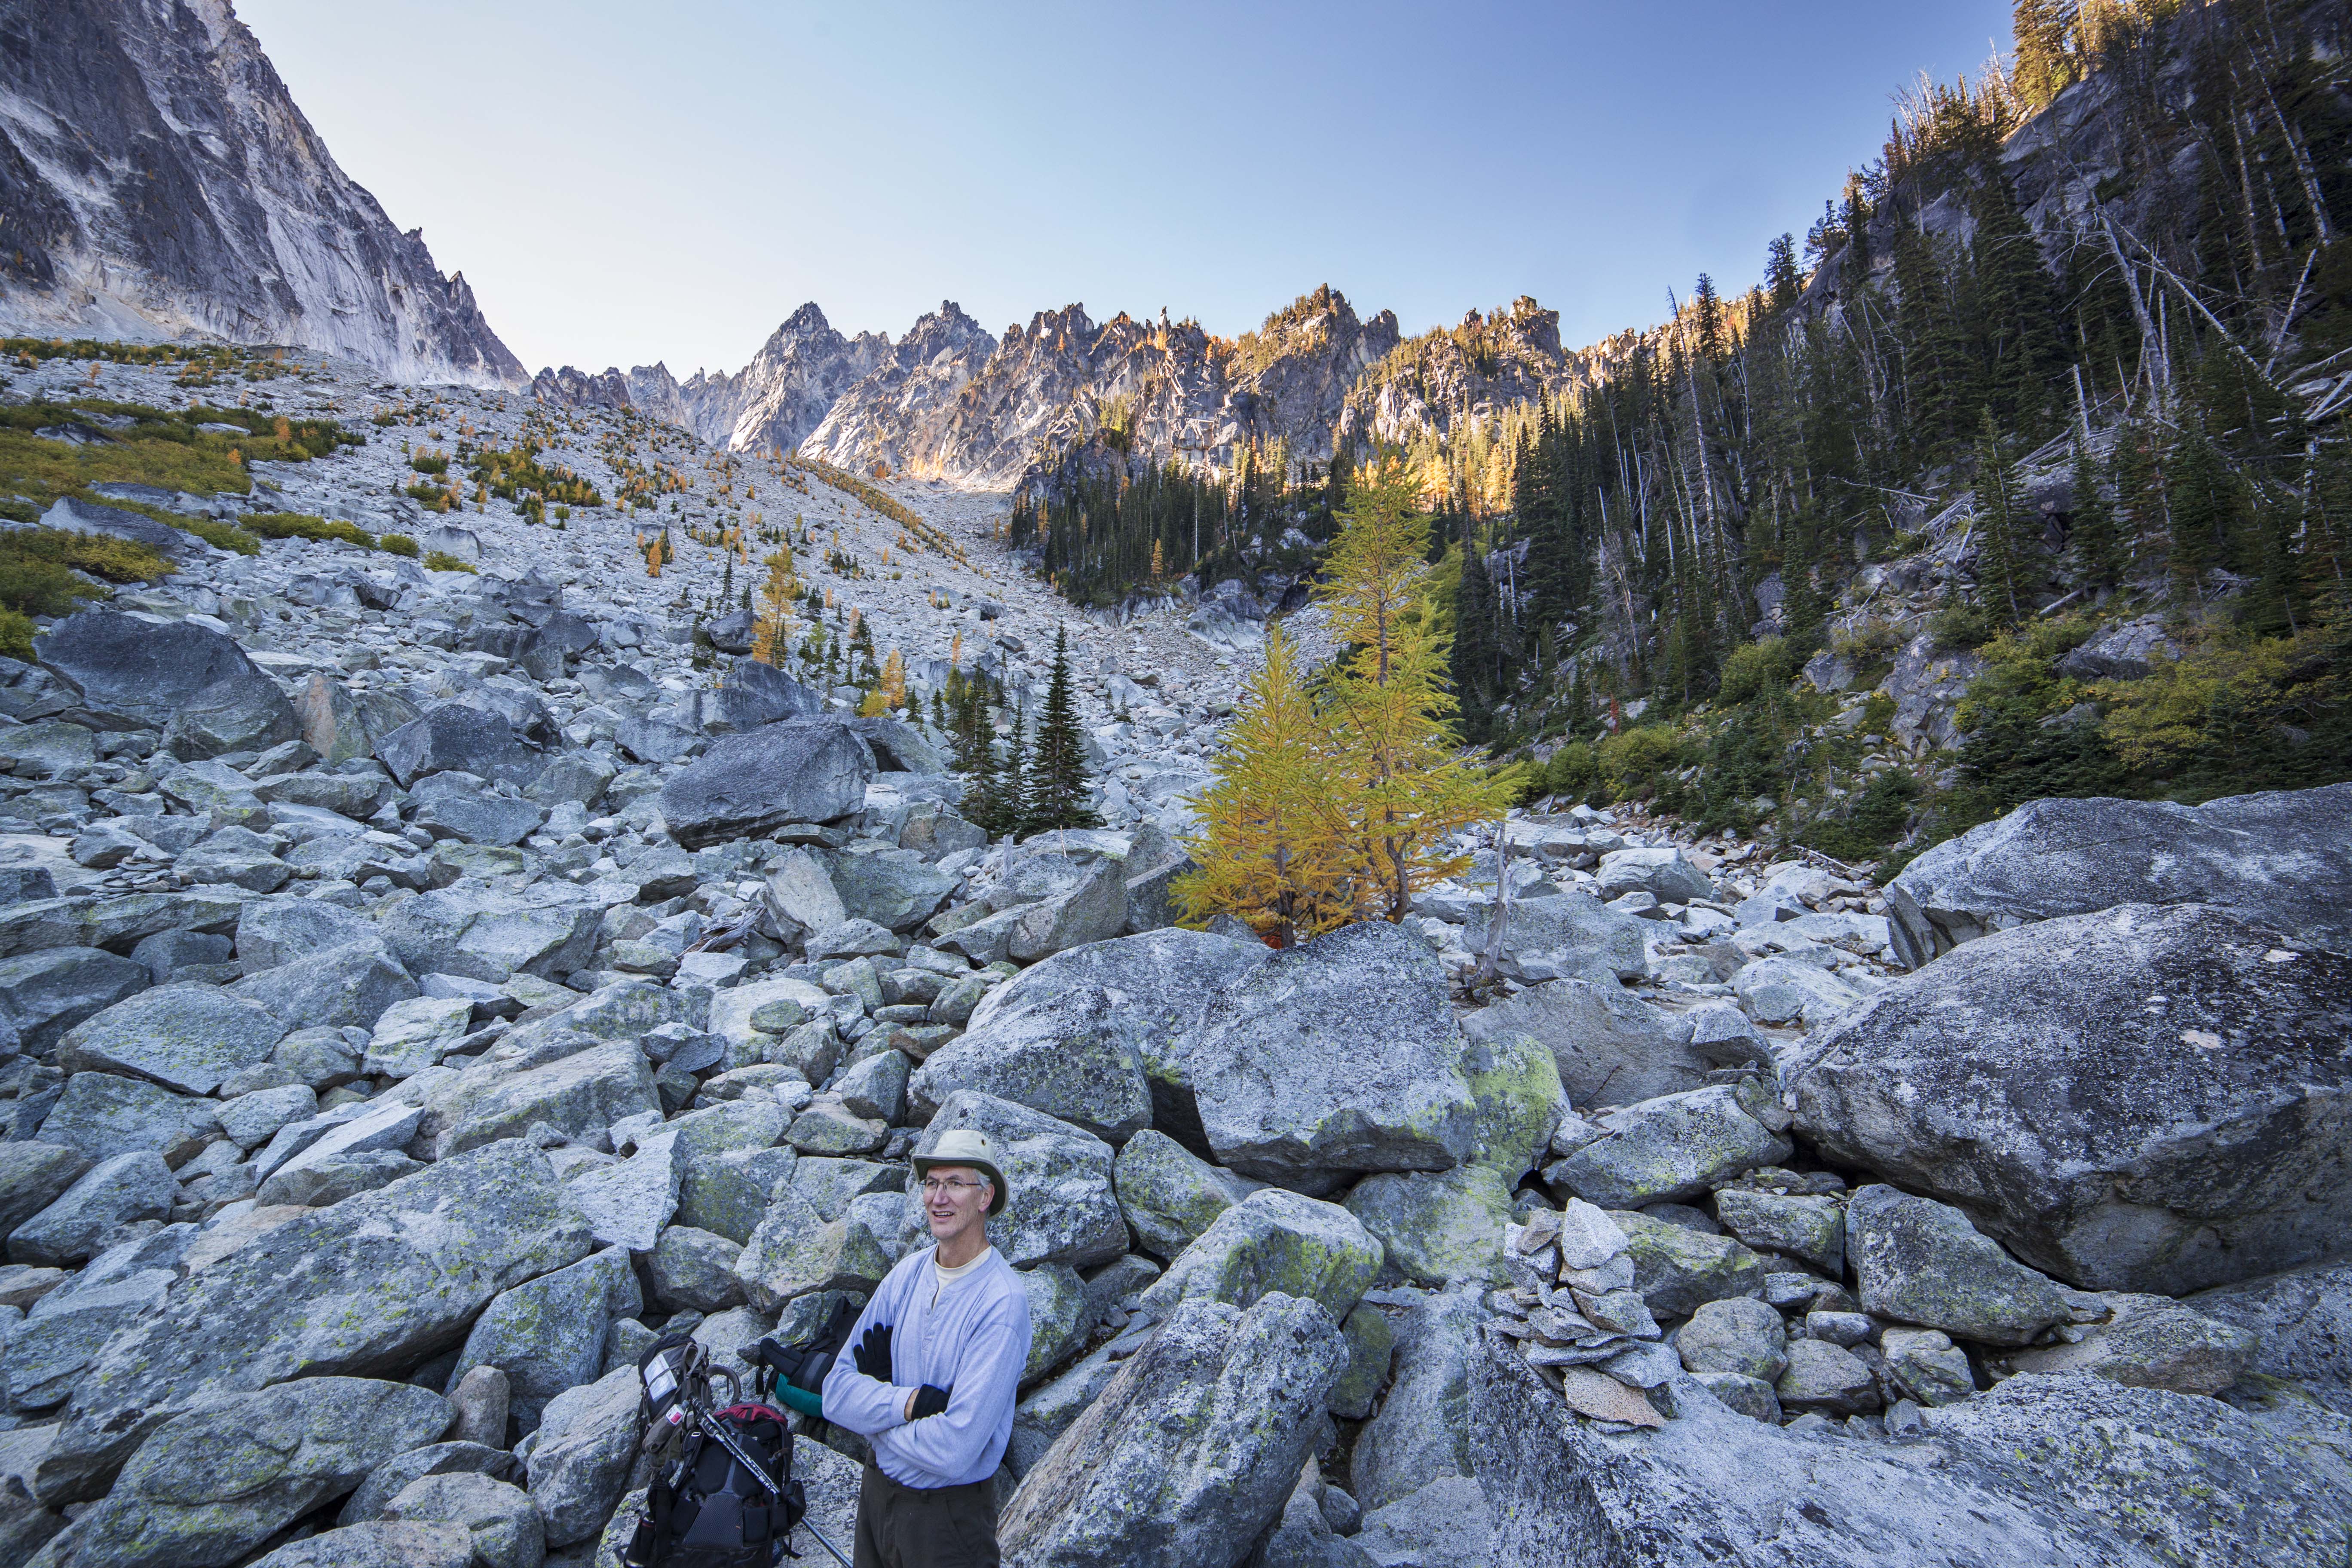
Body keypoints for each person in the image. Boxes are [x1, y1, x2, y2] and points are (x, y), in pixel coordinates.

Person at [821, 1129, 1032, 1568]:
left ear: (985, 1197)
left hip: (947, 1520)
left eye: (955, 1183)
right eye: (932, 1183)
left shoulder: (1001, 1302)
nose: (939, 1198)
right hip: (876, 1496)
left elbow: (957, 1449)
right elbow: (836, 1393)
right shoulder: (907, 1274)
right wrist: (908, 1402)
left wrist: (874, 1422)